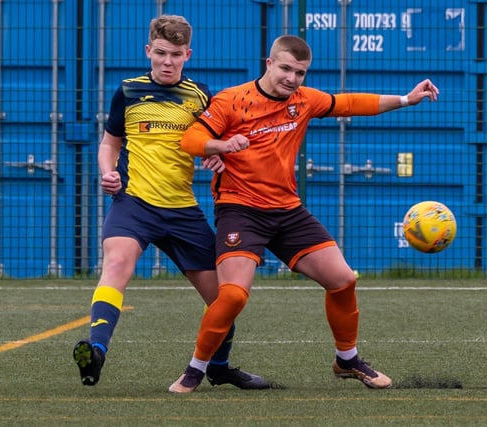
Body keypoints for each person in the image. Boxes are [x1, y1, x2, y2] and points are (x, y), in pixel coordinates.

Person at [168, 34, 439, 393]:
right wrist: (220, 145)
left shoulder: (303, 101)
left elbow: (350, 103)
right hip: (240, 210)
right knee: (232, 295)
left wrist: (407, 98)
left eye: (300, 73)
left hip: (288, 211)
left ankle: (347, 360)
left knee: (343, 279)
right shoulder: (232, 100)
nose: (292, 79)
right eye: (285, 69)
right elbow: (189, 140)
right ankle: (195, 370)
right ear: (268, 64)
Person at [73, 14, 272, 391]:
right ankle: (95, 352)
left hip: (182, 210)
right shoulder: (128, 91)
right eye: (161, 53)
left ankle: (219, 367)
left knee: (224, 298)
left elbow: (215, 143)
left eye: (176, 54)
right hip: (133, 204)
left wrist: (216, 156)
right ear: (148, 51)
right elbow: (109, 143)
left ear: (187, 55)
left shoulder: (201, 95)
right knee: (116, 264)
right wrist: (106, 171)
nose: (167, 61)